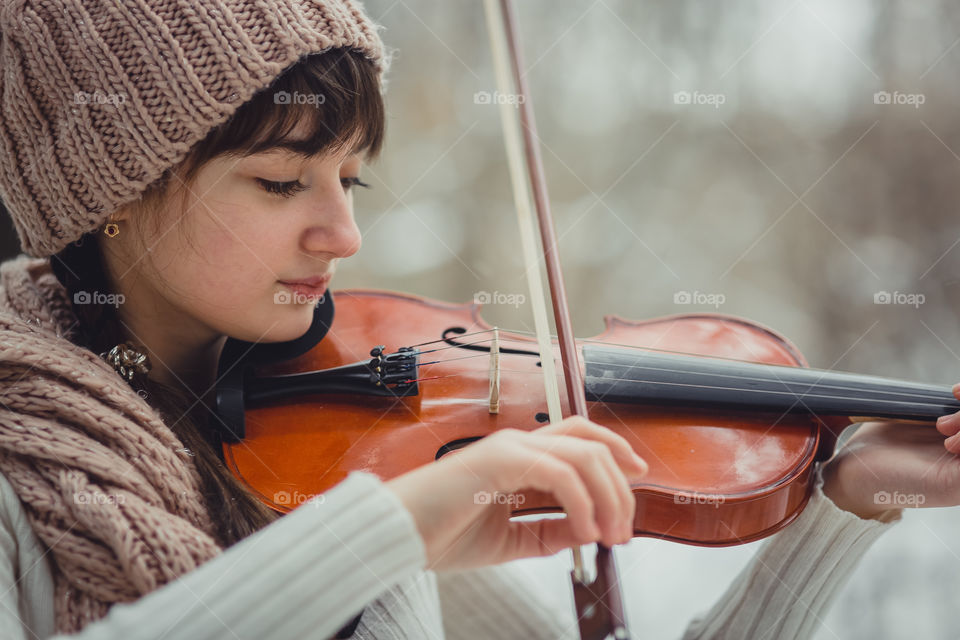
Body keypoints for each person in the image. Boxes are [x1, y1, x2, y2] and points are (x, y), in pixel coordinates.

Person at [0, 1, 958, 639]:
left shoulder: (336, 451)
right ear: (114, 191)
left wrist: (849, 503)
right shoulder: (21, 463)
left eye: (350, 178)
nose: (345, 233)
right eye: (283, 181)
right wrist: (391, 533)